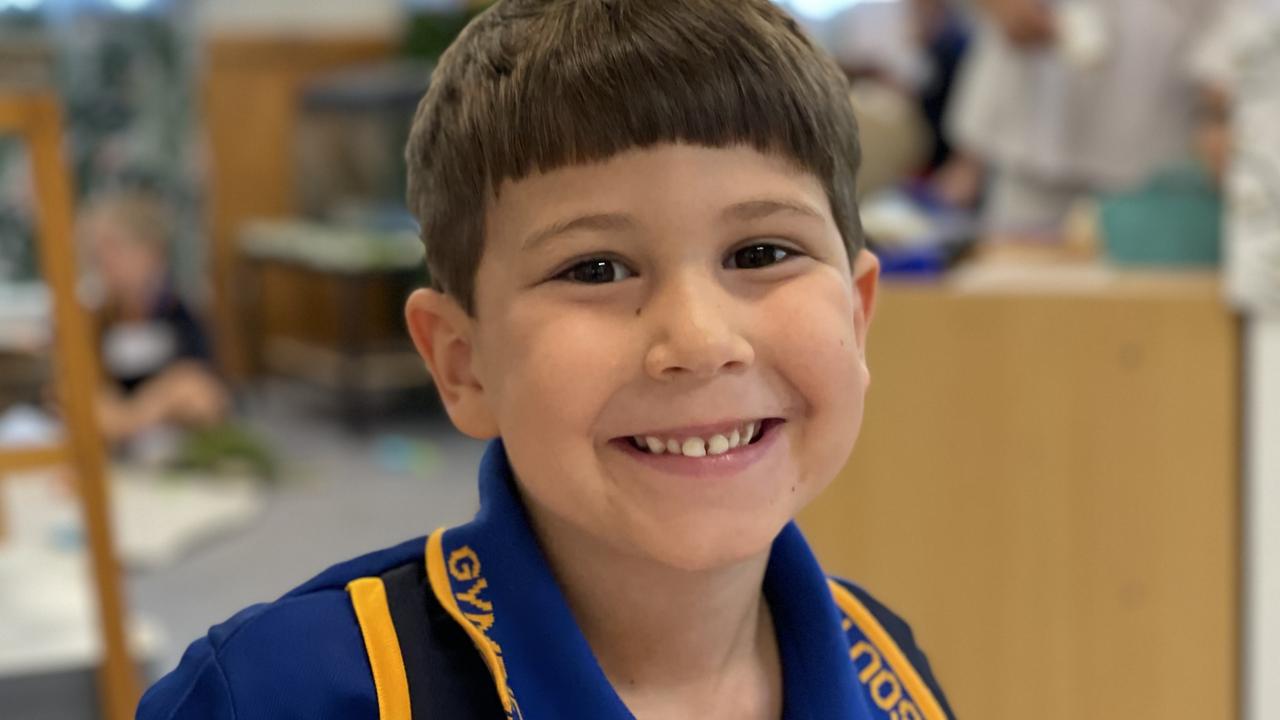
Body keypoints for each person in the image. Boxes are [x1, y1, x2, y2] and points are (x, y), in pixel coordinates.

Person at [137, 1, 955, 718]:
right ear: (462, 365)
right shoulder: (280, 696)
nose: (701, 343)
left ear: (857, 316)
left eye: (762, 251)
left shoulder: (893, 673)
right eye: (595, 269)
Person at [948, 0, 1224, 236]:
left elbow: (1228, 36)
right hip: (1033, 158)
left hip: (1156, 168)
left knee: (1145, 291)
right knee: (1015, 288)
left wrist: (1219, 112)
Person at [79, 192, 229, 447]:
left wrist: (140, 411)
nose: (106, 262)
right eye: (99, 253)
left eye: (115, 249)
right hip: (114, 410)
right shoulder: (96, 315)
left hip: (159, 414)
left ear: (151, 253)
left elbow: (197, 379)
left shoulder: (175, 310)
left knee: (195, 393)